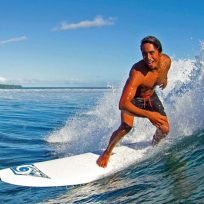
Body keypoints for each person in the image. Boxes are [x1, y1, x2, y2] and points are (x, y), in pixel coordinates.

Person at [97, 36, 171, 168]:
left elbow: (163, 73)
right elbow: (123, 104)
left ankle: (154, 144)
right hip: (133, 99)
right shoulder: (137, 72)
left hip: (151, 97)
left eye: (151, 53)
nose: (148, 57)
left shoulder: (166, 61)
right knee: (126, 126)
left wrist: (164, 79)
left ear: (159, 52)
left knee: (165, 128)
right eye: (144, 54)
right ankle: (107, 152)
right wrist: (149, 115)